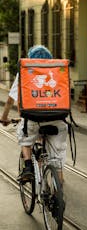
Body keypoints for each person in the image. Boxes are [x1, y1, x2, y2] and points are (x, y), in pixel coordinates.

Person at [0, 45, 67, 181]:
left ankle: (28, 167)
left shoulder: (25, 73)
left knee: (25, 139)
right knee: (56, 157)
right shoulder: (57, 72)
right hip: (58, 119)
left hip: (33, 119)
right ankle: (58, 188)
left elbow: (10, 101)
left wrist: (4, 118)